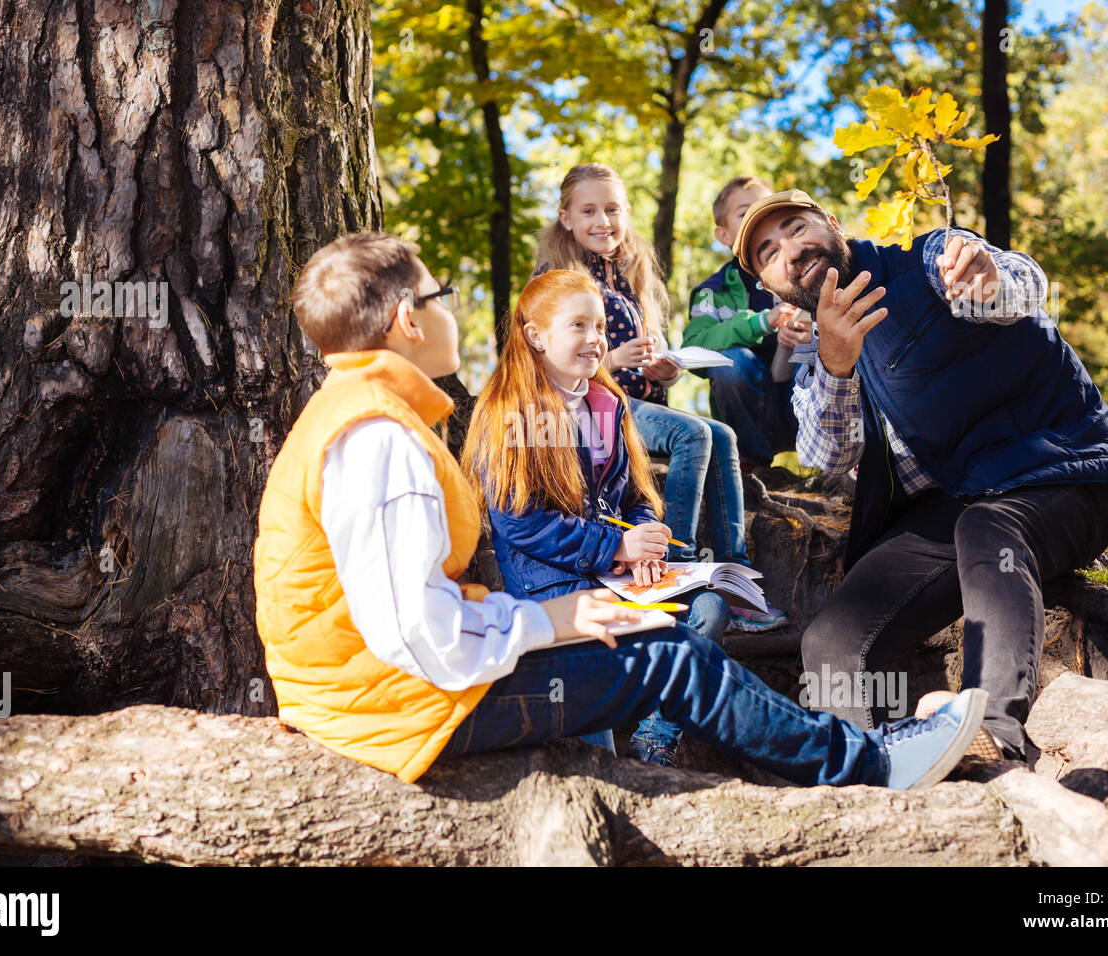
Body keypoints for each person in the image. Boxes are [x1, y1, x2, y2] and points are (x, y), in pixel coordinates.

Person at [252, 229, 990, 790]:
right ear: (408, 321)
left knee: (671, 632)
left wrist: (592, 588)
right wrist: (550, 619)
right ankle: (872, 767)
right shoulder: (379, 438)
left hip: (385, 695)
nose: (452, 306)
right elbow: (417, 635)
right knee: (671, 659)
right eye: (439, 294)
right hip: (391, 710)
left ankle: (859, 751)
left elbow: (415, 619)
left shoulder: (364, 416)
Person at [733, 190, 1108, 762]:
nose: (791, 251)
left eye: (797, 229)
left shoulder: (925, 259)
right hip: (950, 507)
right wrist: (837, 364)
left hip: (1057, 470)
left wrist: (986, 278)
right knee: (831, 640)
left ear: (832, 223)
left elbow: (1020, 283)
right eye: (770, 253)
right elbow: (827, 456)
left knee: (987, 529)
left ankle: (994, 731)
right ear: (770, 287)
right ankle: (868, 772)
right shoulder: (813, 355)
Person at [462, 268, 729, 766]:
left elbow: (633, 495)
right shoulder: (509, 411)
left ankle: (654, 741)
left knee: (709, 607)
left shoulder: (608, 403)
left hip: (617, 576)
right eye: (578, 326)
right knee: (595, 746)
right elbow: (519, 522)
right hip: (555, 590)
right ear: (536, 336)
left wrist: (643, 535)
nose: (596, 339)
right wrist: (615, 547)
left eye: (601, 327)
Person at [534, 163, 786, 633]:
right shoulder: (557, 280)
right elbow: (543, 363)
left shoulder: (629, 275)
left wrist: (665, 371)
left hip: (637, 404)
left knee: (722, 435)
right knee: (692, 435)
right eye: (589, 211)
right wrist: (612, 360)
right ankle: (676, 569)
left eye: (613, 209)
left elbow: (649, 365)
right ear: (565, 217)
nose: (603, 221)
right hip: (586, 407)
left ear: (627, 213)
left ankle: (736, 579)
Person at [684, 175, 812, 466]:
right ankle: (748, 465)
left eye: (765, 209)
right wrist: (760, 323)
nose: (757, 217)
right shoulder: (712, 291)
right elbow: (692, 347)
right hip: (749, 413)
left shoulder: (804, 271)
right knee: (732, 362)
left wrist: (810, 339)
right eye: (745, 213)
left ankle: (844, 461)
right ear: (724, 235)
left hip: (801, 402)